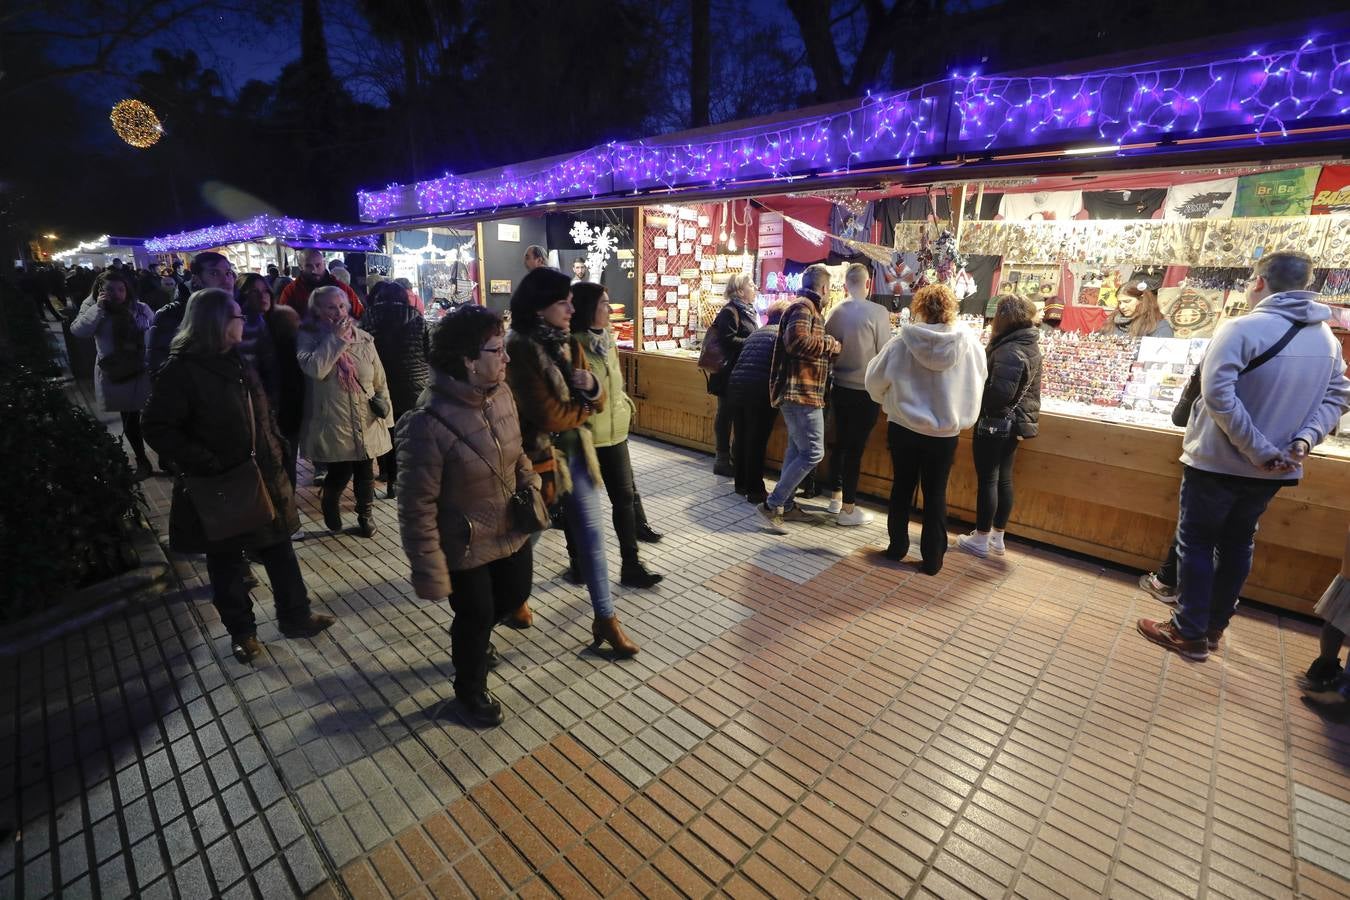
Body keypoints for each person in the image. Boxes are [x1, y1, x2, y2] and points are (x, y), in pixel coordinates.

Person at [1138, 250, 1350, 661]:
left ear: (1259, 282)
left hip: (1219, 460)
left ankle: (1189, 630)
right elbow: (1338, 397)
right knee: (1238, 544)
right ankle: (1213, 626)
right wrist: (1301, 443)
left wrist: (1258, 449)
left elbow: (1217, 394)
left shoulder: (1242, 328)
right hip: (1277, 468)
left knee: (1197, 543)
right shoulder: (1324, 338)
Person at [142, 288, 334, 663]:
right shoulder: (182, 370)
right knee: (227, 561)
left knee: (280, 548)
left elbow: (259, 413)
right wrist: (205, 461)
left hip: (262, 473)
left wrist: (275, 447)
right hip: (223, 483)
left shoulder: (235, 360)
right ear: (216, 322)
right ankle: (242, 633)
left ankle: (296, 616)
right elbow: (157, 426)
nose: (243, 321)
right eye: (236, 316)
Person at [396, 305, 539, 726]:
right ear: (468, 360)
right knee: (475, 615)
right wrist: (429, 567)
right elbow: (415, 506)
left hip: (510, 527)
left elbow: (517, 454)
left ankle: (474, 641)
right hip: (465, 540)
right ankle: (469, 690)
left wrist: (530, 486)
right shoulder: (426, 422)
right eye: (498, 350)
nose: (507, 357)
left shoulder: (502, 394)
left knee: (514, 596)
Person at [505, 267, 639, 657]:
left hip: (577, 455)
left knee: (593, 537)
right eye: (562, 302)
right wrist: (582, 409)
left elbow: (594, 400)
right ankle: (513, 597)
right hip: (538, 458)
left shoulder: (569, 344)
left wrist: (592, 389)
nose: (570, 308)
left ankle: (606, 618)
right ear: (540, 307)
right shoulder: (519, 348)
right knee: (528, 533)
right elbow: (546, 415)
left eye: (571, 301)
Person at [865, 283, 986, 574]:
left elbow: (874, 380)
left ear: (919, 307)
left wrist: (889, 402)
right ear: (951, 308)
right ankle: (933, 559)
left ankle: (897, 548)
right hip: (944, 434)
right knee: (935, 493)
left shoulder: (902, 341)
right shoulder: (969, 344)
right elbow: (979, 381)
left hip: (904, 427)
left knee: (902, 487)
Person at [570, 282, 663, 587]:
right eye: (603, 304)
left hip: (615, 433)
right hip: (585, 437)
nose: (609, 310)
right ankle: (577, 562)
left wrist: (624, 405)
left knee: (623, 500)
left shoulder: (607, 338)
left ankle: (631, 564)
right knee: (579, 506)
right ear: (587, 308)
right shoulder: (572, 343)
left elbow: (615, 383)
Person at [297, 286, 394, 537]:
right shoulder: (309, 339)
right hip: (334, 419)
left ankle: (366, 516)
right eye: (330, 307)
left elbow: (379, 380)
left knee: (365, 470)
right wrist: (337, 340)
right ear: (317, 311)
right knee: (340, 472)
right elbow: (315, 369)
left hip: (366, 416)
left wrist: (387, 416)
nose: (338, 312)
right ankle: (330, 500)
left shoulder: (364, 339)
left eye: (341, 306)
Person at [957, 294, 1043, 559]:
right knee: (1003, 478)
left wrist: (977, 396)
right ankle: (996, 536)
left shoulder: (1009, 349)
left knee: (989, 480)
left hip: (997, 423)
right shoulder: (1028, 343)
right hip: (1015, 424)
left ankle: (981, 538)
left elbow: (1000, 394)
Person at [759, 264, 840, 534]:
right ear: (825, 288)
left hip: (802, 392)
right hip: (800, 393)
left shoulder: (806, 308)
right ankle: (773, 504)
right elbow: (795, 342)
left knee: (796, 450)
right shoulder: (804, 308)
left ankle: (787, 504)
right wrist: (830, 344)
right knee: (813, 452)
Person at [71, 268, 157, 478]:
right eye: (110, 289)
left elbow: (154, 330)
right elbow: (78, 330)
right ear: (99, 290)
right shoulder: (92, 307)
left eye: (121, 289)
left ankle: (163, 455)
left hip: (142, 369)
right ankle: (142, 460)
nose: (117, 293)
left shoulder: (139, 308)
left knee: (154, 415)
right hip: (117, 371)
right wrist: (98, 309)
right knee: (130, 418)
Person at [823, 263, 891, 526]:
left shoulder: (835, 312)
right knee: (855, 449)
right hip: (866, 391)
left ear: (844, 285)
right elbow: (886, 353)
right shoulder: (878, 312)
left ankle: (835, 498)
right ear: (868, 284)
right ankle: (849, 509)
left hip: (839, 386)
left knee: (839, 443)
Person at [363, 280, 430, 498]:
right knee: (410, 435)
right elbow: (430, 352)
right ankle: (408, 478)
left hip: (380, 386)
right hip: (414, 387)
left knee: (386, 433)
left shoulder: (369, 319)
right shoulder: (417, 320)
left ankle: (389, 478)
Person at [725, 301, 790, 503]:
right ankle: (755, 490)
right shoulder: (781, 336)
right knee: (757, 440)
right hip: (760, 391)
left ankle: (741, 483)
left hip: (736, 388)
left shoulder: (756, 334)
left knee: (742, 436)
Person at [145, 251, 235, 376]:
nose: (226, 279)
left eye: (228, 273)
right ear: (196, 279)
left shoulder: (235, 311)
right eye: (214, 273)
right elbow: (159, 369)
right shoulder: (171, 315)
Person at [708, 274, 759, 477]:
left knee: (736, 414)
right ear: (739, 291)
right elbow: (726, 340)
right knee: (726, 414)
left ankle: (736, 458)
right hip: (728, 372)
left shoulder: (748, 311)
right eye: (751, 285)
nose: (755, 287)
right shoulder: (730, 311)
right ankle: (721, 459)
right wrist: (753, 342)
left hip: (741, 372)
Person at [234, 274, 281, 405]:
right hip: (255, 400)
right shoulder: (244, 328)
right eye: (254, 292)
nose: (262, 296)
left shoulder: (275, 321)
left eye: (265, 290)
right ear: (243, 295)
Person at [279, 248, 363, 319]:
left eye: (318, 265)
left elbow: (360, 315)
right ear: (300, 267)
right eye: (308, 266)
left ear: (324, 264)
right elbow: (285, 321)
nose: (314, 270)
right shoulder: (291, 291)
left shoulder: (341, 288)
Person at [1098, 281, 1173, 339]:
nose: (1122, 306)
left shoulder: (1158, 326)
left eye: (1127, 301)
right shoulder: (1112, 322)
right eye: (1120, 302)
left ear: (1142, 300)